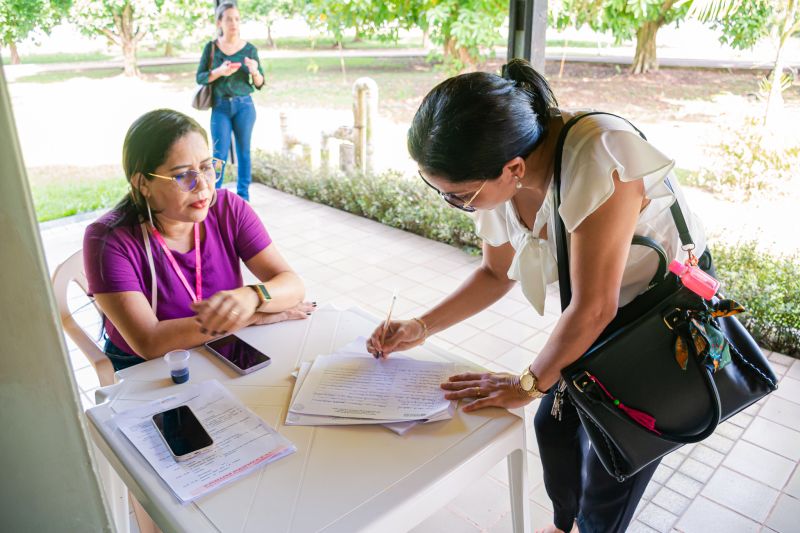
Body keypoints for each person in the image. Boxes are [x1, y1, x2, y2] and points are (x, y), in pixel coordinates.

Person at [367, 59, 706, 533]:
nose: (455, 203)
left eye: (458, 195)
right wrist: (420, 327)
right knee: (553, 426)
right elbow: (495, 273)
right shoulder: (501, 170)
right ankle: (564, 525)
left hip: (659, 318)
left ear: (513, 169)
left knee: (615, 454)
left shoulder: (598, 155)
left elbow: (594, 307)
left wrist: (525, 385)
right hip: (601, 315)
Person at [84, 109, 314, 371]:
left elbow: (292, 285)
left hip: (224, 344)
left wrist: (253, 296)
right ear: (142, 183)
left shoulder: (228, 209)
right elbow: (150, 342)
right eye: (184, 175)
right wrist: (254, 315)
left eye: (206, 167)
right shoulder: (107, 240)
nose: (203, 186)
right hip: (148, 368)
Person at [195, 1, 264, 201]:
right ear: (219, 23)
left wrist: (254, 71)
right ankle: (213, 196)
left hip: (245, 106)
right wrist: (219, 72)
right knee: (218, 156)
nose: (233, 23)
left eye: (237, 19)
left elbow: (260, 82)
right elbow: (200, 77)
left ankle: (243, 197)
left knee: (244, 152)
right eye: (228, 19)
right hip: (220, 106)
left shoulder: (249, 49)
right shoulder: (211, 48)